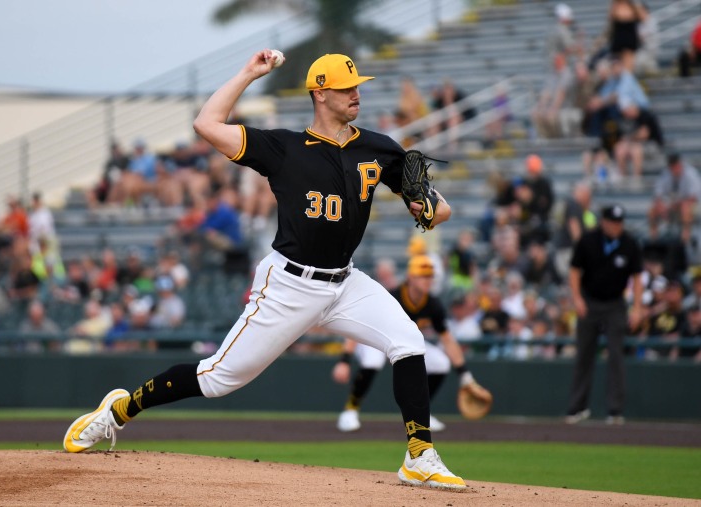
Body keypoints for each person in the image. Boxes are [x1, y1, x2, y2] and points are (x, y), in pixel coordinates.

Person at [62, 50, 465, 490]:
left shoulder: (379, 148)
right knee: (217, 379)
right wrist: (249, 74)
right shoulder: (283, 148)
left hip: (346, 282)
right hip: (290, 284)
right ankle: (117, 412)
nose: (356, 94)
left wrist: (427, 208)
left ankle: (420, 456)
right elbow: (207, 125)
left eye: (357, 86)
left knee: (408, 340)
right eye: (346, 87)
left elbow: (437, 210)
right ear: (320, 93)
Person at [332, 255, 481, 433]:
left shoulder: (433, 305)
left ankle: (421, 415)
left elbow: (447, 339)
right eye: (423, 276)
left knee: (440, 363)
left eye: (430, 276)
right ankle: (350, 410)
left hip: (403, 344)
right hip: (376, 340)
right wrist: (345, 359)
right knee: (373, 360)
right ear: (410, 277)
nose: (428, 280)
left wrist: (464, 373)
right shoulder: (392, 296)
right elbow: (360, 325)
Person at [565, 204, 643, 425]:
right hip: (590, 301)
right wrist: (577, 299)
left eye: (619, 223)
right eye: (612, 222)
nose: (616, 227)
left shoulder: (629, 244)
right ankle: (577, 408)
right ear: (603, 222)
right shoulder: (588, 240)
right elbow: (574, 270)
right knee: (584, 355)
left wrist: (637, 307)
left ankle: (615, 410)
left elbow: (637, 277)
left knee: (616, 356)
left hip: (615, 303)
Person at [647, 153, 701, 243]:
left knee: (685, 207)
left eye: (675, 165)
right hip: (672, 204)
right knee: (652, 209)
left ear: (679, 164)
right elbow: (658, 193)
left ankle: (685, 239)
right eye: (672, 166)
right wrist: (660, 205)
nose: (673, 168)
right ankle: (654, 240)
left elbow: (693, 197)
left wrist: (677, 204)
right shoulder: (666, 173)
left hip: (692, 205)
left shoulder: (691, 173)